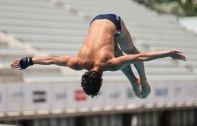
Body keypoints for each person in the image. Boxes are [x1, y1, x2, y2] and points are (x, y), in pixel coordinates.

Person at [11, 14, 186, 99]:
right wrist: (27, 61)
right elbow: (51, 60)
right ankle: (135, 81)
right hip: (95, 21)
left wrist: (168, 53)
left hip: (114, 23)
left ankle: (142, 81)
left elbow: (140, 57)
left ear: (101, 81)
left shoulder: (110, 65)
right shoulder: (77, 63)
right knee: (118, 53)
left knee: (131, 52)